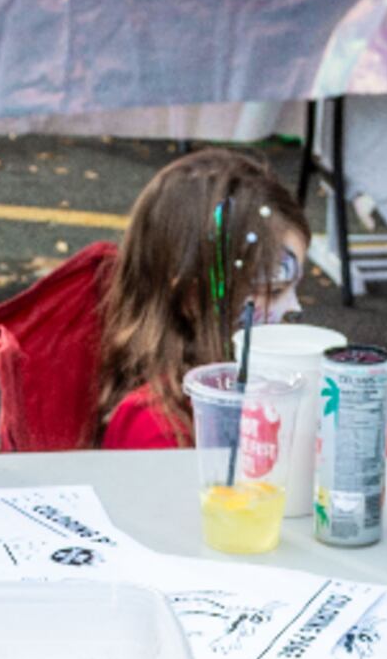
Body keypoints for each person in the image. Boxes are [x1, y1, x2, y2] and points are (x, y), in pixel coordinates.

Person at [93, 149, 308, 450]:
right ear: (193, 298)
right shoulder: (158, 430)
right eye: (274, 290)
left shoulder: (249, 386)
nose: (294, 307)